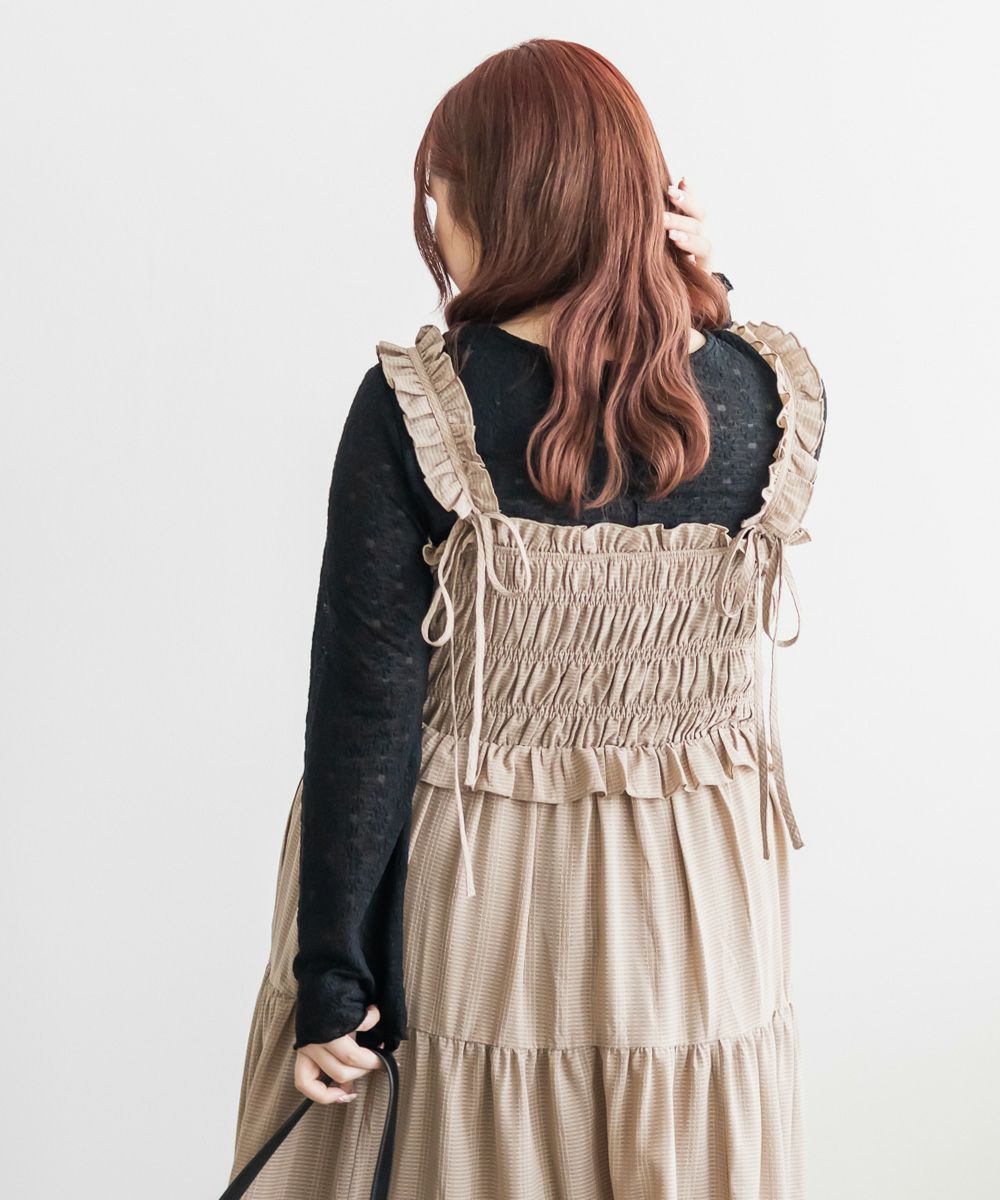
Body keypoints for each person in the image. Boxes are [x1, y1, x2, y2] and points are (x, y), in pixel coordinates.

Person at [228, 37, 827, 1199]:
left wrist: (331, 975)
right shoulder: (769, 395)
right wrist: (706, 285)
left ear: (505, 201)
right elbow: (683, 379)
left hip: (482, 895)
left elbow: (366, 705)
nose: (434, 222)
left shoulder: (420, 405)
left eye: (441, 192)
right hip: (696, 910)